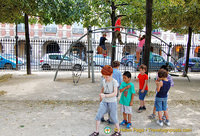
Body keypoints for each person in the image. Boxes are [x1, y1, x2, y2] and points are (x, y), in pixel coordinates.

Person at [89, 65, 121, 136]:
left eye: (107, 76)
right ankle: (96, 131)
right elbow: (103, 89)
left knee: (113, 117)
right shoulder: (104, 81)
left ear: (111, 74)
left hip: (112, 101)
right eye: (104, 76)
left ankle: (118, 132)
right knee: (98, 115)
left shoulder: (114, 82)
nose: (106, 78)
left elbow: (115, 93)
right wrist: (101, 95)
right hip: (104, 101)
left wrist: (105, 95)